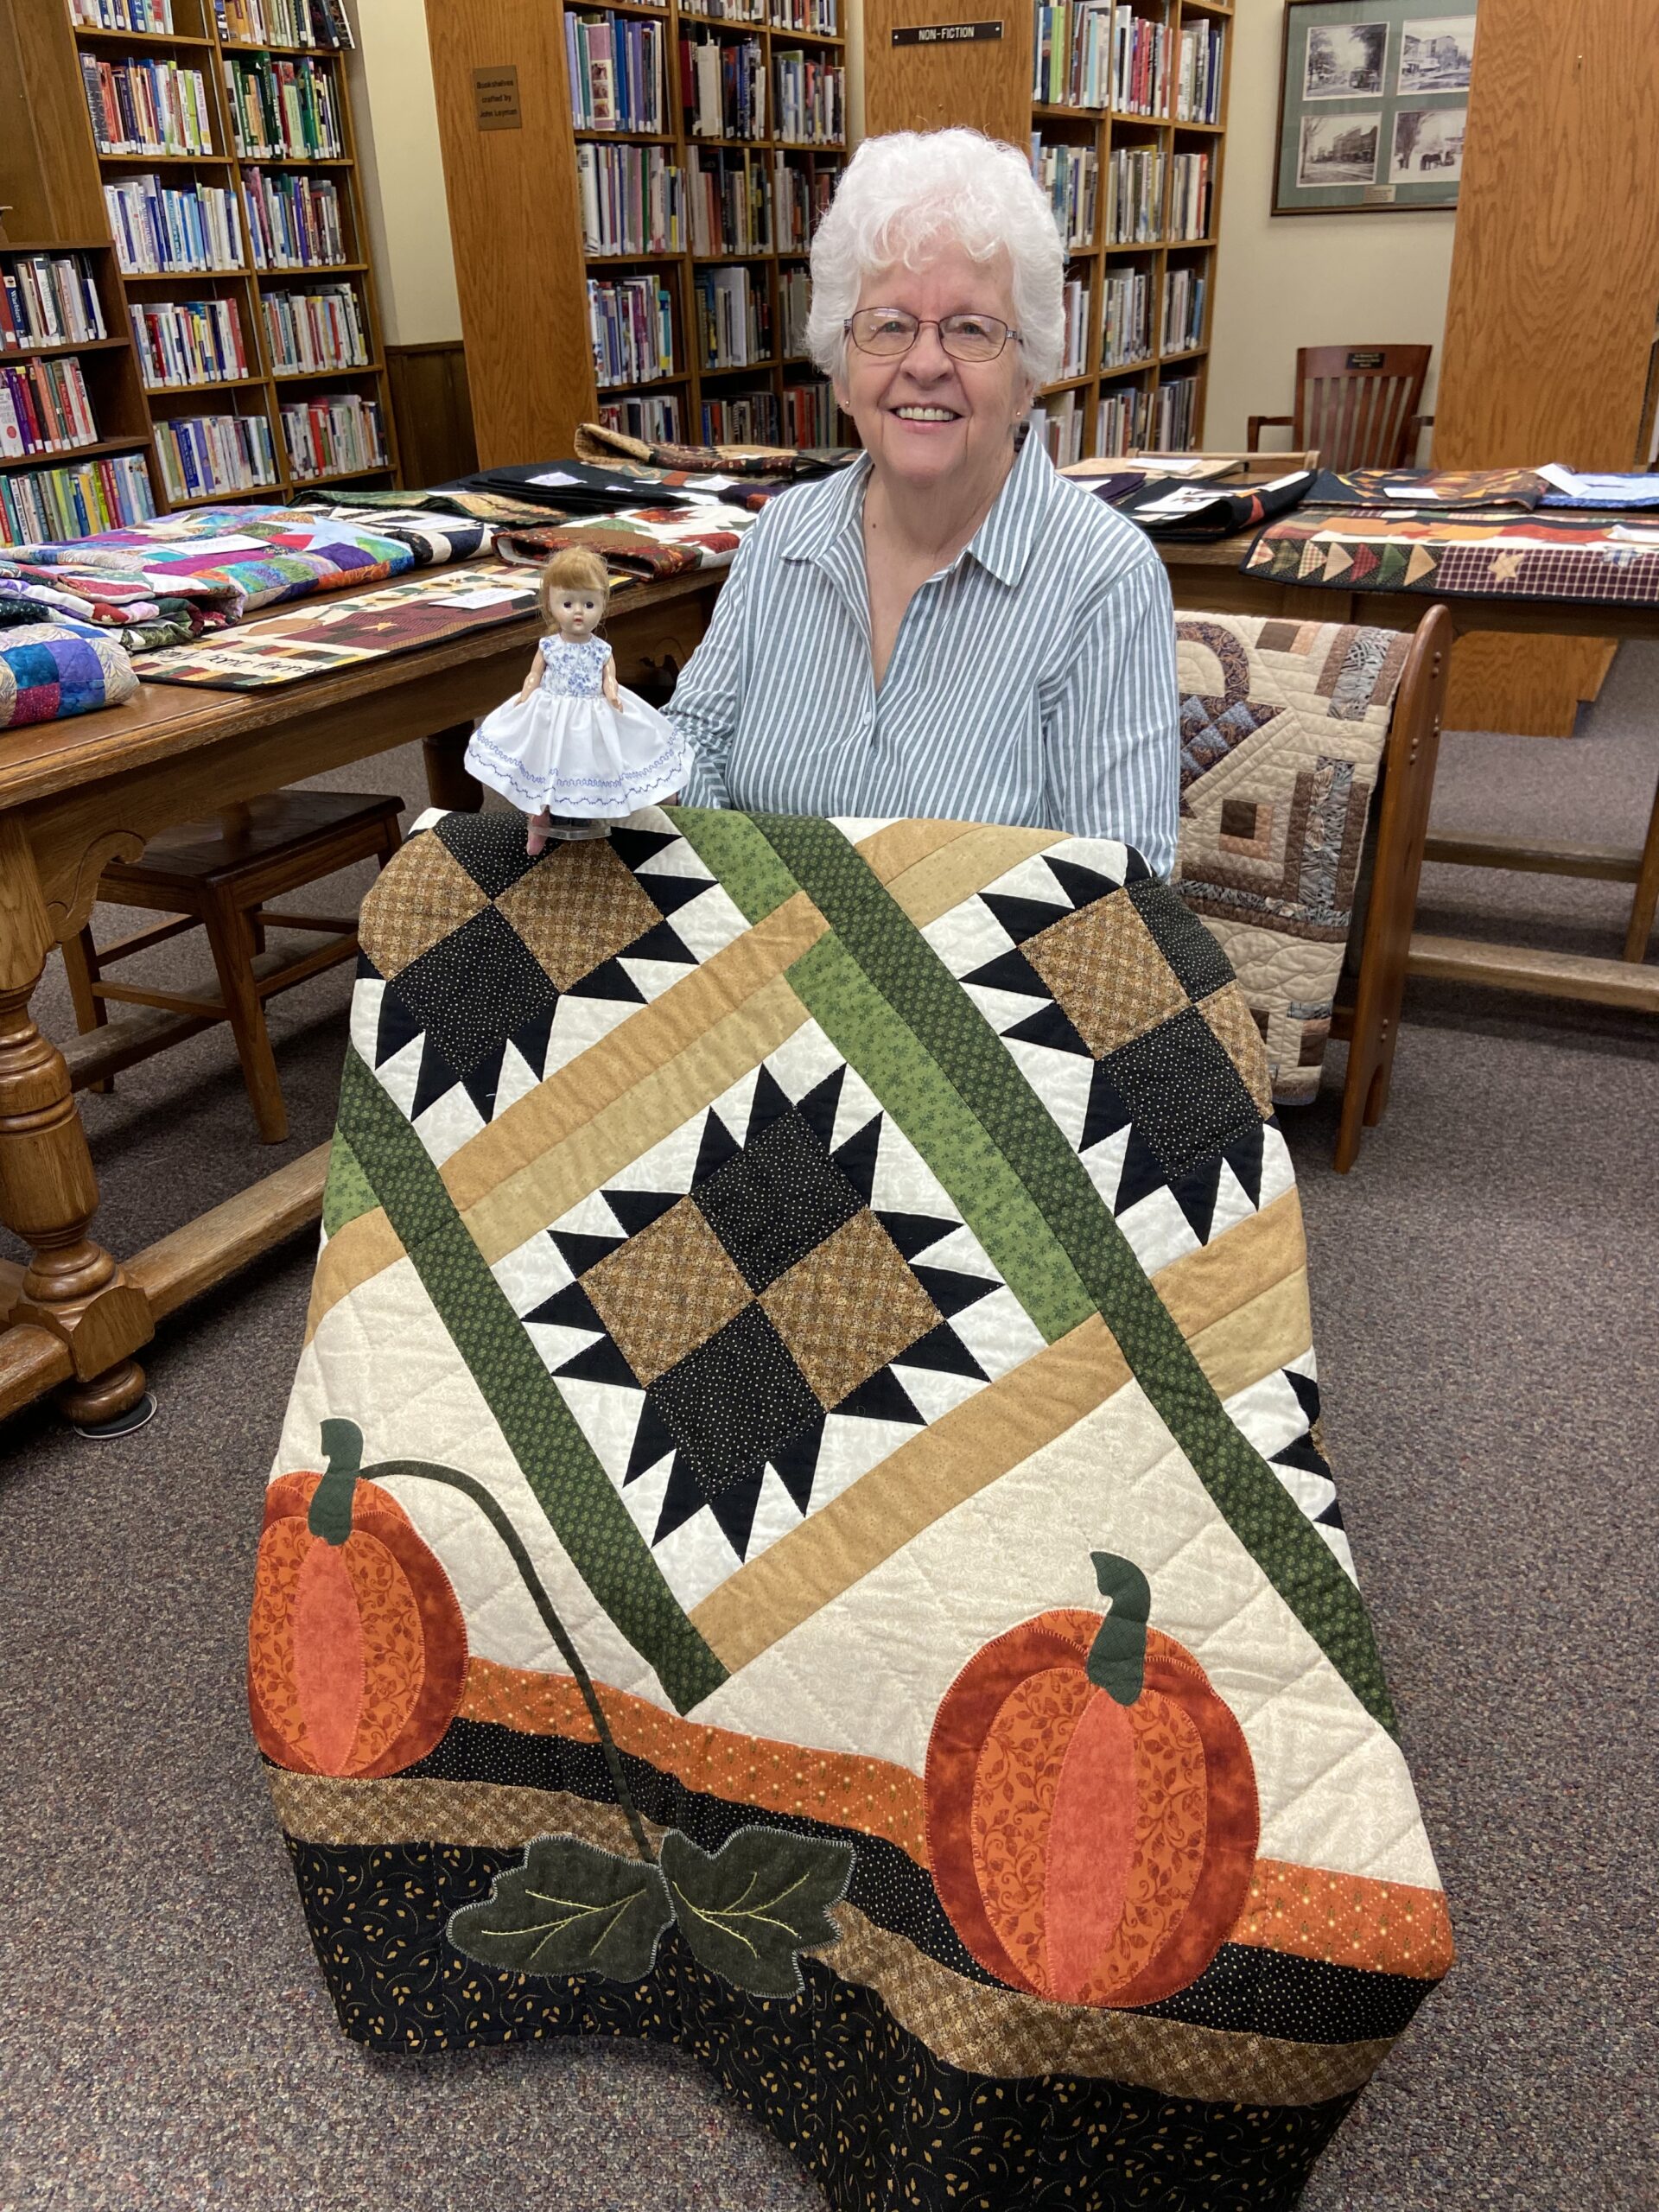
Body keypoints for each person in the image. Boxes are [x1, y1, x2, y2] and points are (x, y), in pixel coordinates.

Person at [666, 127, 1180, 874]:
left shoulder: (1103, 577)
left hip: (990, 987)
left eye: (971, 329)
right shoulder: (783, 536)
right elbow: (697, 755)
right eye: (890, 326)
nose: (926, 363)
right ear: (843, 373)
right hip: (759, 971)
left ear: (1027, 376)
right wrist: (603, 755)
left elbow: (1122, 888)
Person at [466, 547, 689, 855]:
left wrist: (611, 693)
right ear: (550, 604)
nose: (578, 612)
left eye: (589, 603)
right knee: (546, 767)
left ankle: (593, 816)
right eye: (567, 603)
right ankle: (539, 819)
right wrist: (526, 694)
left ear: (603, 605)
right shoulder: (549, 646)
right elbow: (534, 675)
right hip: (551, 712)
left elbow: (609, 678)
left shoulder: (601, 649)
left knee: (591, 764)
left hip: (591, 713)